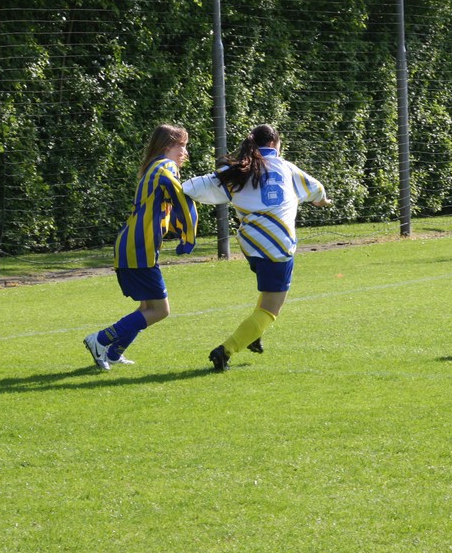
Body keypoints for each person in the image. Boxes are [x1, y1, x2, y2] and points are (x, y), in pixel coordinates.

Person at [182, 124, 331, 372]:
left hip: (250, 244)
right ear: (274, 144)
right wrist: (323, 201)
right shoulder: (287, 168)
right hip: (278, 244)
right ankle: (225, 350)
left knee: (267, 294)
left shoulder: (237, 170)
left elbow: (191, 187)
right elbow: (316, 190)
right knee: (272, 308)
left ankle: (253, 335)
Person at [83, 124, 197, 371]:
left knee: (147, 307)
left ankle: (113, 353)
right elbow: (183, 200)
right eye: (181, 146)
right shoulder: (165, 167)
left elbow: (163, 210)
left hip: (133, 246)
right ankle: (100, 339)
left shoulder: (154, 167)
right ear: (167, 146)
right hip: (138, 248)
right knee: (160, 310)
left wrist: (177, 229)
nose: (185, 152)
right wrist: (188, 236)